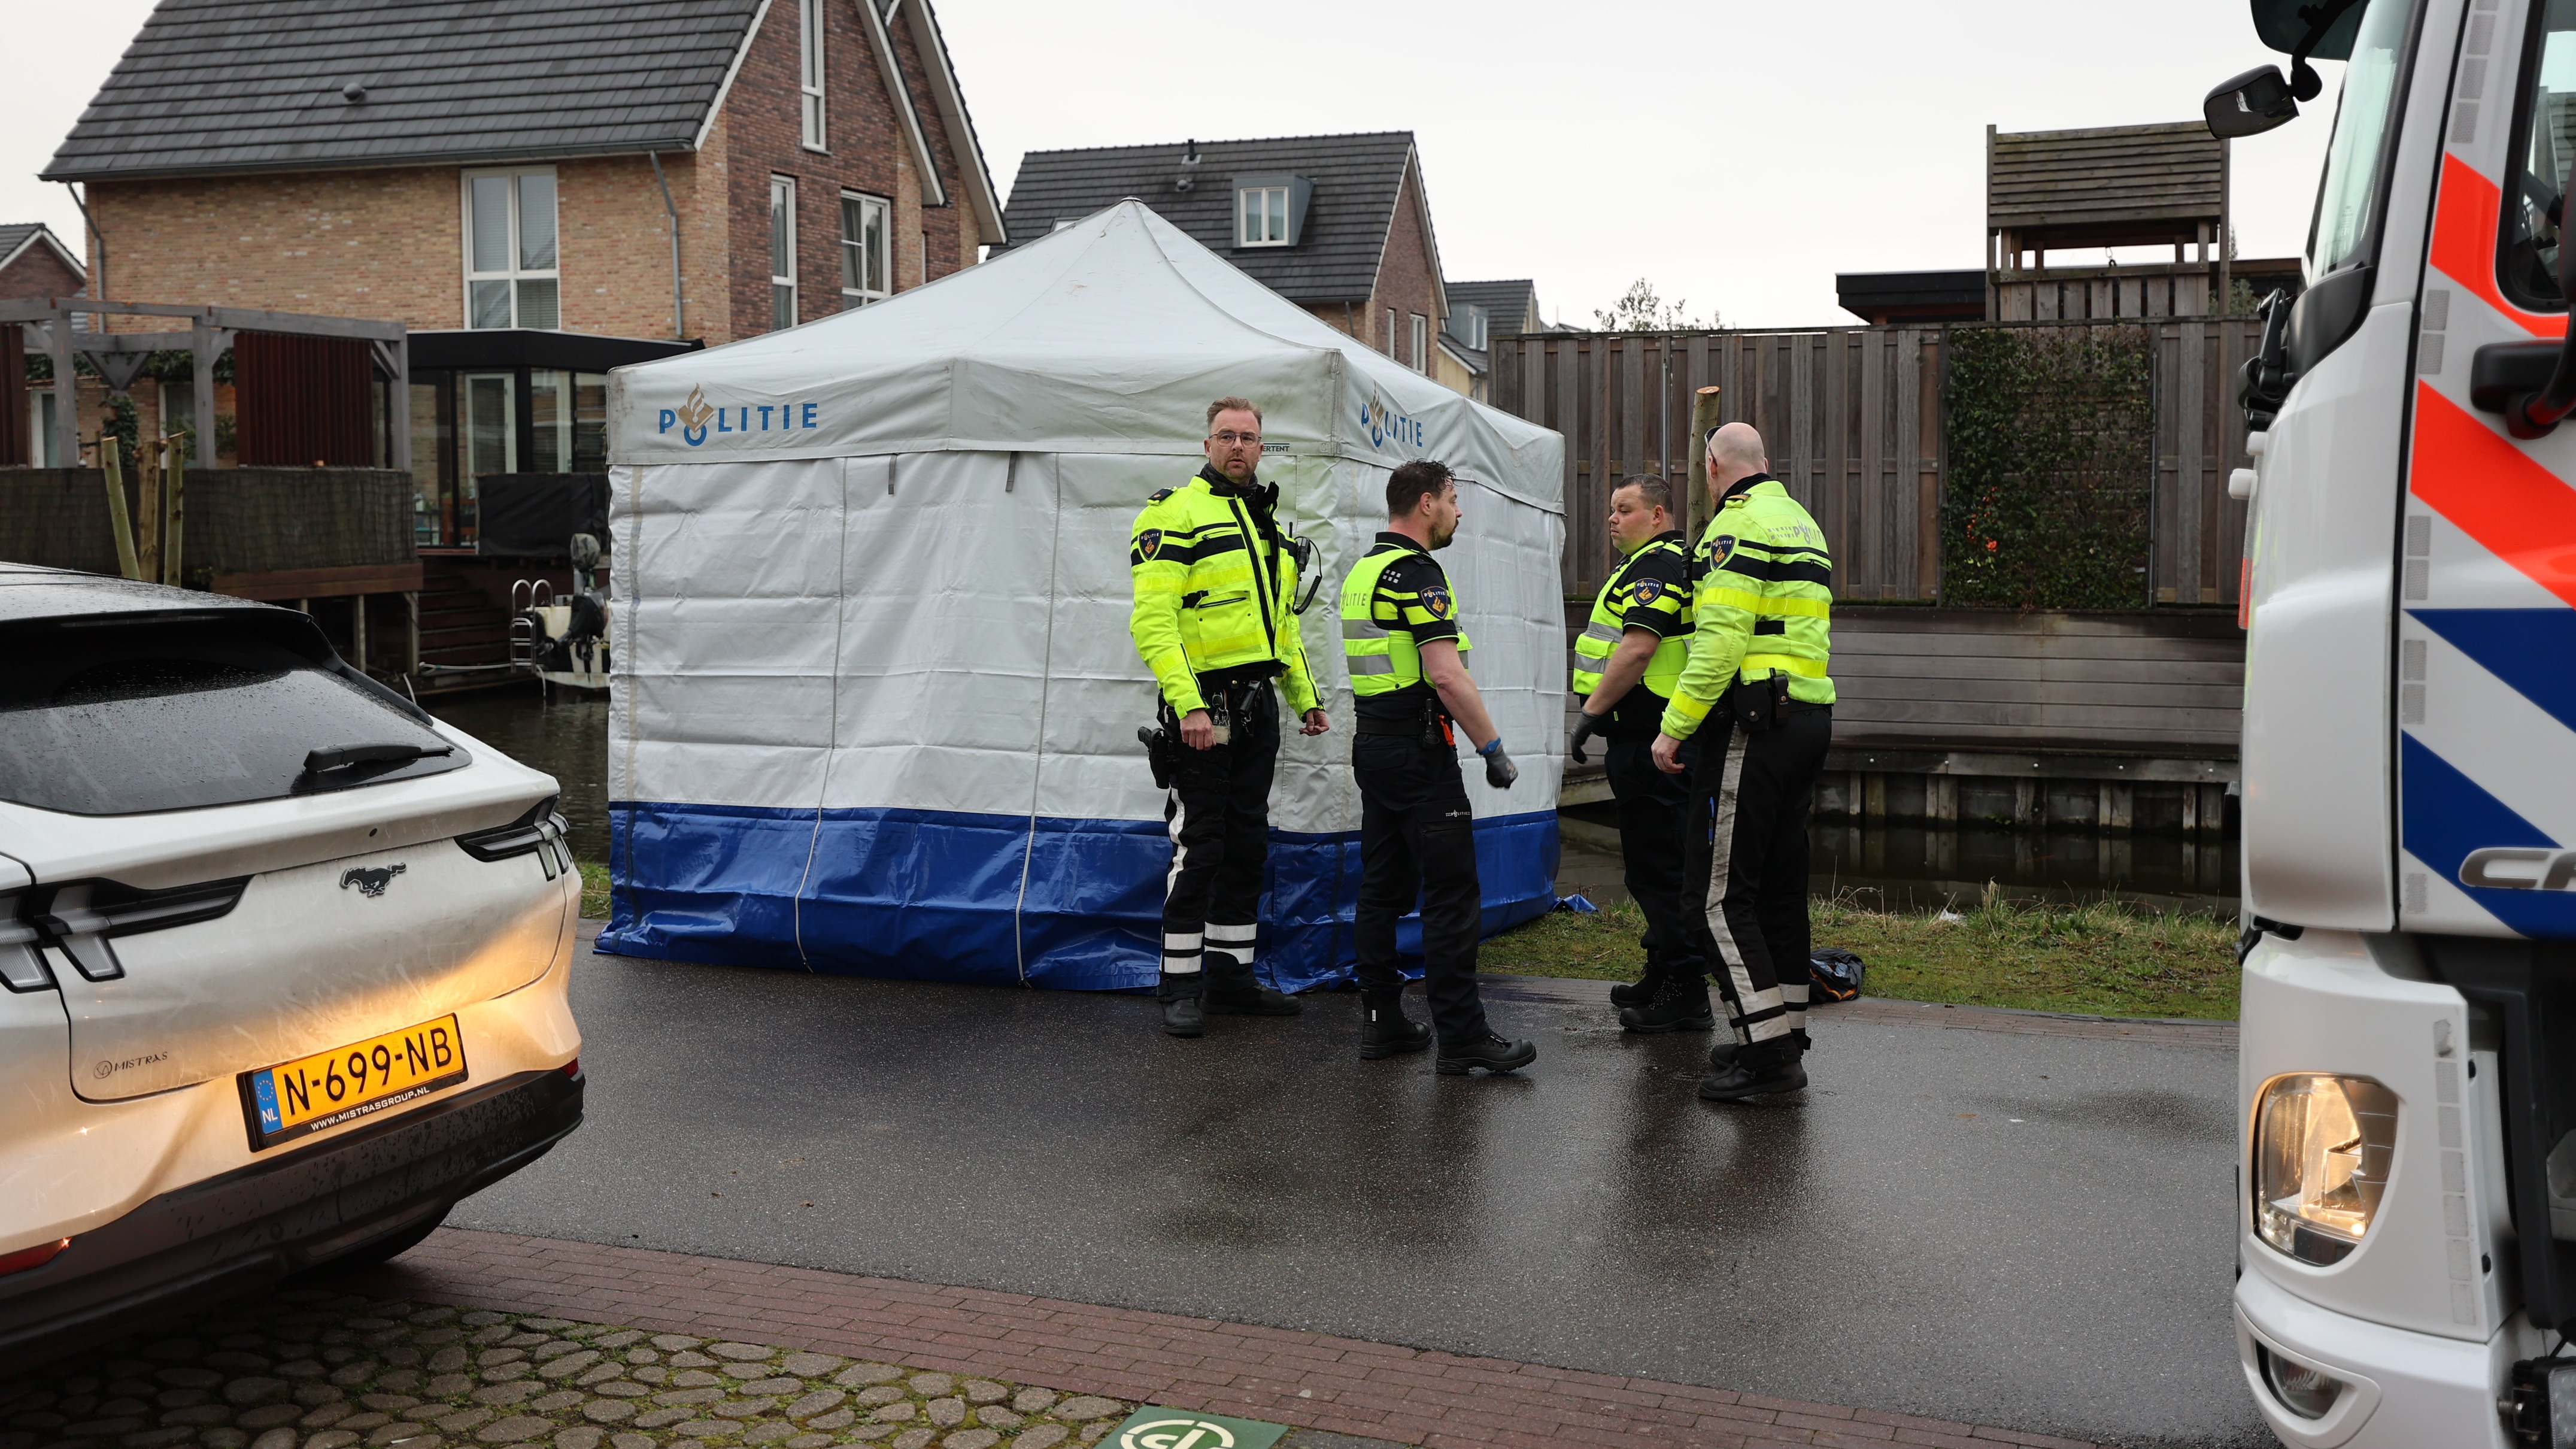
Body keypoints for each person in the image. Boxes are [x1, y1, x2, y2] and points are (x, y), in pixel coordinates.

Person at [1639, 423, 1836, 1101]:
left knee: (1715, 897)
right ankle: (1778, 1031)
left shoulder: (1734, 529)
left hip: (1754, 722)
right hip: (1807, 717)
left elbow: (1720, 641)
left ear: (1712, 466)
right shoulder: (1802, 522)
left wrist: (1672, 729)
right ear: (1767, 462)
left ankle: (1769, 1056)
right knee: (1777, 889)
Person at [1128, 396, 1331, 1038]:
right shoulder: (1173, 514)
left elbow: (1283, 624)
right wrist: (1186, 701)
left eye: (1249, 437)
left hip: (1258, 704)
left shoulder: (1266, 521)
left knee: (1248, 843)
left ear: (1261, 447)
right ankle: (1180, 984)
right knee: (1202, 844)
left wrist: (1306, 698)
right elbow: (1153, 620)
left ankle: (1232, 978)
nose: (1238, 446)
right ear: (1207, 443)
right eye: (1226, 436)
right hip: (1203, 706)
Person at [1339, 459, 1539, 1076]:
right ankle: (1462, 1036)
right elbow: (1445, 673)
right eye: (1453, 499)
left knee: (1381, 886)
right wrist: (1492, 749)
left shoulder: (1363, 570)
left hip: (1374, 745)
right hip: (1420, 752)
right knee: (1452, 893)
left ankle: (1382, 1021)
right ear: (1426, 503)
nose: (1459, 511)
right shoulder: (1417, 572)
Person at [1567, 476, 1706, 1022]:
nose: (1611, 519)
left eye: (1624, 509)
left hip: (1654, 741)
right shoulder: (1648, 564)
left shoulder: (1656, 567)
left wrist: (1589, 714)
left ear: (1658, 514)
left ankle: (1686, 992)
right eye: (1609, 509)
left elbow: (1638, 649)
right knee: (1650, 865)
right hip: (1647, 737)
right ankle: (1664, 969)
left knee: (1661, 868)